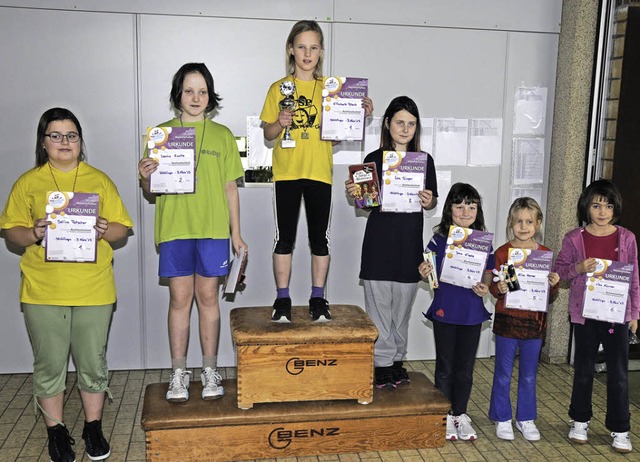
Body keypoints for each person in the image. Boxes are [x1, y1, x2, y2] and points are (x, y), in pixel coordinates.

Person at [0, 107, 132, 462]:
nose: (64, 142)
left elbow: (122, 229)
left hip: (94, 289)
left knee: (93, 362)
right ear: (43, 143)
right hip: (43, 291)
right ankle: (56, 431)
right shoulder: (28, 183)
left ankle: (93, 427)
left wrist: (106, 227)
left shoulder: (99, 180)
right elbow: (11, 231)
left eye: (71, 135)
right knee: (49, 364)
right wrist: (34, 232)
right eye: (55, 135)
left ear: (80, 141)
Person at [138, 63, 247, 403]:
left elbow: (231, 188)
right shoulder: (160, 135)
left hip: (213, 230)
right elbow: (152, 190)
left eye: (202, 91)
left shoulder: (223, 135)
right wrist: (144, 175)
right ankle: (178, 373)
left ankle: (210, 370)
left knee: (209, 299)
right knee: (180, 300)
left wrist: (236, 234)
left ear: (210, 96)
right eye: (189, 91)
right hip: (175, 229)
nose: (196, 97)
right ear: (178, 95)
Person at [260, 19, 373, 323]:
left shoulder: (331, 89)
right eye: (301, 47)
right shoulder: (277, 88)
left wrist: (358, 114)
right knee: (284, 238)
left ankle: (317, 297)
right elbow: (268, 134)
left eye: (313, 48)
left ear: (321, 51)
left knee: (319, 239)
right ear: (291, 50)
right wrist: (279, 123)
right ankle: (282, 299)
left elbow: (336, 135)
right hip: (286, 173)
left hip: (319, 174)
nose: (307, 53)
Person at [345, 96, 438, 389]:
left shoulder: (425, 161)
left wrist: (429, 199)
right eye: (400, 122)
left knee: (401, 312)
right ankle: (381, 363)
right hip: (379, 246)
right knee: (379, 311)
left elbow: (432, 199)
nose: (405, 128)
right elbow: (366, 204)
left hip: (409, 247)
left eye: (411, 124)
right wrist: (355, 192)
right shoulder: (373, 158)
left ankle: (397, 360)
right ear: (387, 123)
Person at [554, 179, 639, 453]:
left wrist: (634, 312)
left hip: (616, 317)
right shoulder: (573, 238)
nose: (602, 212)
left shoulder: (626, 238)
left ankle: (620, 428)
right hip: (585, 315)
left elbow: (634, 277)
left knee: (618, 373)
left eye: (609, 205)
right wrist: (578, 266)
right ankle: (579, 420)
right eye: (596, 205)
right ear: (586, 207)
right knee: (583, 370)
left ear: (616, 209)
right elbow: (561, 271)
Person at [418, 183, 493, 441]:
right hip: (445, 310)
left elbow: (489, 271)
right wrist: (425, 272)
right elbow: (428, 268)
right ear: (449, 209)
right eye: (459, 206)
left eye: (471, 207)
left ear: (478, 210)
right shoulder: (439, 239)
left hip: (472, 312)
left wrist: (486, 285)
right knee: (445, 366)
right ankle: (445, 414)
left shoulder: (482, 241)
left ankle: (460, 413)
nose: (465, 211)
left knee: (466, 368)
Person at [488, 197, 560, 441]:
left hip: (534, 324)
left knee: (529, 374)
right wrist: (500, 289)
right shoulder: (502, 253)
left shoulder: (546, 255)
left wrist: (554, 285)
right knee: (503, 373)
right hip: (507, 322)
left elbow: (548, 296)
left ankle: (526, 418)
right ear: (511, 222)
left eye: (529, 221)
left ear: (538, 224)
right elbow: (495, 289)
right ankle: (502, 417)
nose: (523, 226)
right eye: (518, 221)